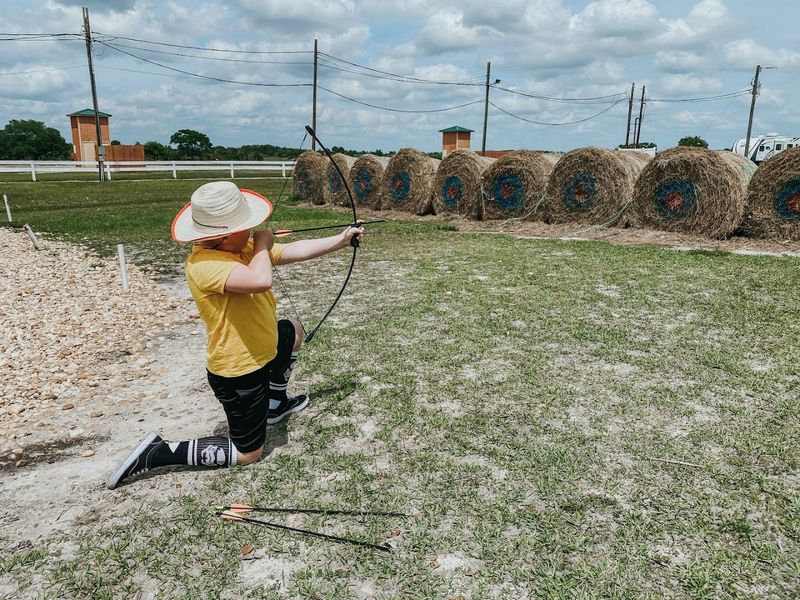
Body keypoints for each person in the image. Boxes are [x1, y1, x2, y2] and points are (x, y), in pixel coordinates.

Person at [107, 181, 364, 489]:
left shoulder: (240, 247)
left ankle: (274, 405)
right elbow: (260, 280)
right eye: (248, 226)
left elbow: (292, 251)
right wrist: (262, 246)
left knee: (292, 329)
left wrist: (341, 240)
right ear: (225, 234)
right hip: (239, 372)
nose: (255, 229)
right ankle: (158, 453)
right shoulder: (204, 264)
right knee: (248, 453)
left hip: (263, 349)